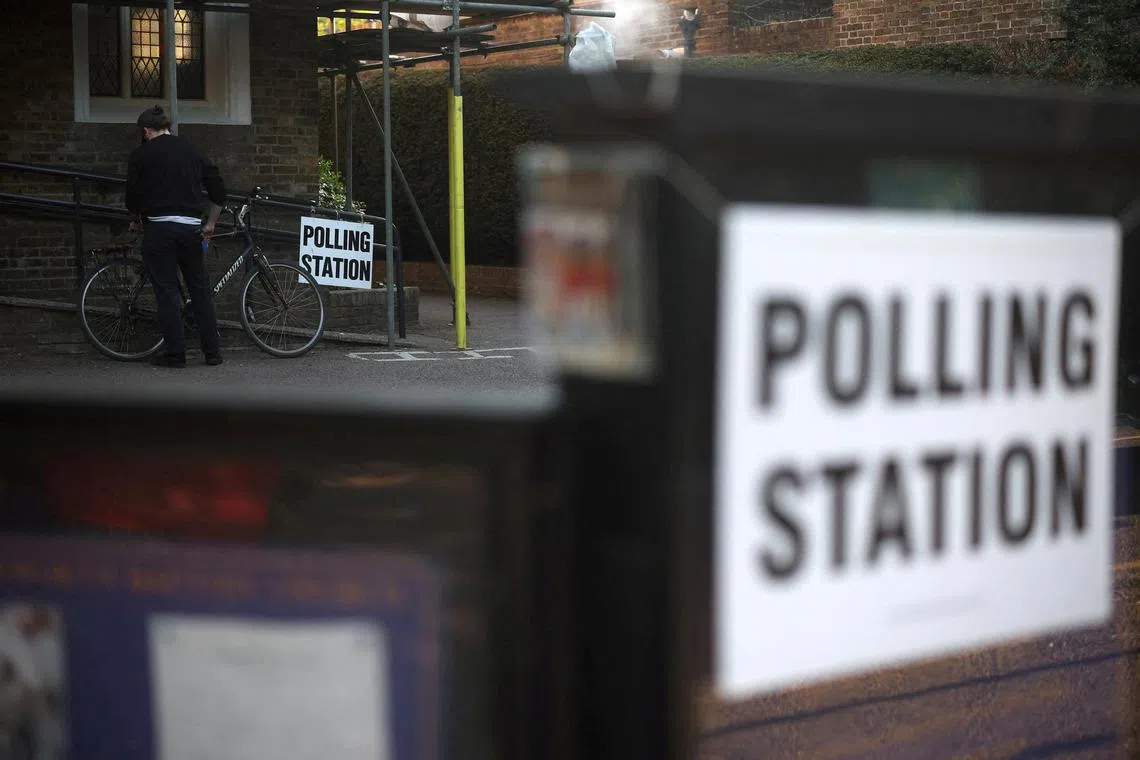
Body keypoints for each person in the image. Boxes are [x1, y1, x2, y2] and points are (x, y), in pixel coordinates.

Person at [125, 106, 226, 368]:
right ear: (167, 127)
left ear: (146, 131)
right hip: (191, 228)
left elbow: (132, 198)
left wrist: (136, 219)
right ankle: (212, 352)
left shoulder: (141, 154)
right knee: (200, 290)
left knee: (167, 291)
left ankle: (176, 354)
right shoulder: (193, 151)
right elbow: (218, 191)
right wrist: (211, 224)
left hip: (159, 229)